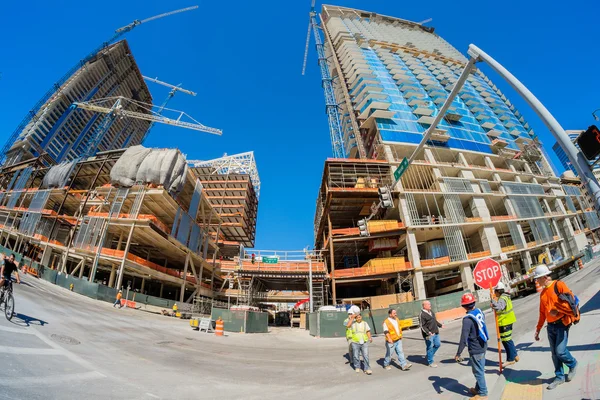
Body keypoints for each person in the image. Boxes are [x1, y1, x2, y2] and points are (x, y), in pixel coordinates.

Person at [533, 265, 578, 390]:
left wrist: (557, 310)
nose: (537, 281)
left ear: (544, 277)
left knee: (560, 351)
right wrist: (538, 329)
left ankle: (573, 364)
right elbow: (542, 314)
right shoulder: (542, 294)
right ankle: (559, 377)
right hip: (550, 327)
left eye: (538, 279)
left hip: (562, 324)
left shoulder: (559, 285)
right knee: (554, 354)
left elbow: (571, 301)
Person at [455, 293, 489, 400]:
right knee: (480, 369)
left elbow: (463, 338)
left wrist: (458, 353)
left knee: (478, 372)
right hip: (483, 344)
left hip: (475, 348)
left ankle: (483, 393)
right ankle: (478, 389)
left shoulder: (467, 320)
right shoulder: (479, 312)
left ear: (464, 306)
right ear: (474, 303)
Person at [491, 282, 519, 367]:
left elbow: (500, 307)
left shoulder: (502, 298)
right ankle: (514, 355)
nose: (495, 293)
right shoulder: (506, 296)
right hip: (507, 321)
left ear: (498, 291)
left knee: (507, 340)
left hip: (505, 322)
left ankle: (510, 359)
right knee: (506, 340)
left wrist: (493, 302)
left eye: (495, 291)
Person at [419, 300, 444, 368]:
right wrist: (428, 332)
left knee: (437, 344)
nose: (430, 305)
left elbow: (434, 320)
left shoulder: (431, 312)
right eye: (428, 304)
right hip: (428, 334)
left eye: (430, 304)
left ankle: (429, 355)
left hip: (435, 331)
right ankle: (430, 361)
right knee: (429, 347)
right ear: (424, 306)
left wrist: (440, 325)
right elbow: (422, 326)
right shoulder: (422, 314)